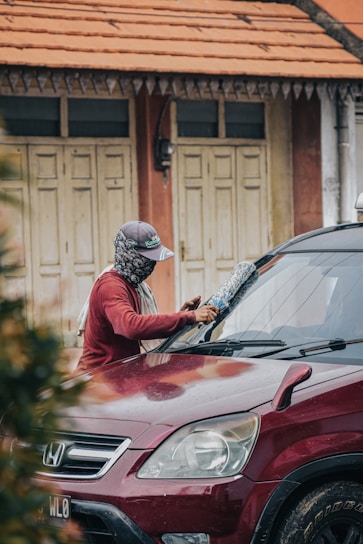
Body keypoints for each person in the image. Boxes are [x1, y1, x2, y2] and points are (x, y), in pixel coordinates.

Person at [76, 220, 218, 372]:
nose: (152, 264)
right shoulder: (111, 287)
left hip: (120, 374)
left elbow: (145, 325)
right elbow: (131, 326)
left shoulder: (133, 285)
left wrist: (181, 315)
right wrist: (189, 317)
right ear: (129, 254)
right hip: (97, 380)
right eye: (147, 258)